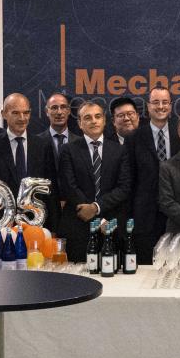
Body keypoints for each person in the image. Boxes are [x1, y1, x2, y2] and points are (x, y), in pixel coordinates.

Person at [57, 100, 131, 262]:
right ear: (80, 123)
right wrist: (97, 220)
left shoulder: (120, 150)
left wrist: (96, 207)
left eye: (98, 116)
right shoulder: (68, 150)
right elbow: (69, 187)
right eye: (88, 117)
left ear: (104, 120)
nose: (94, 121)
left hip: (111, 226)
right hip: (79, 226)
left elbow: (124, 188)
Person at [128, 86, 180, 262]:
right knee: (145, 267)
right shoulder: (134, 138)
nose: (160, 106)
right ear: (148, 106)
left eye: (165, 102)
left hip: (177, 217)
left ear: (171, 106)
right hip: (145, 218)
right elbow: (129, 180)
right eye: (156, 102)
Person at [40, 92, 75, 162]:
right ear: (47, 111)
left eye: (63, 107)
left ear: (69, 111)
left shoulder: (80, 143)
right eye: (54, 108)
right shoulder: (36, 142)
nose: (59, 112)